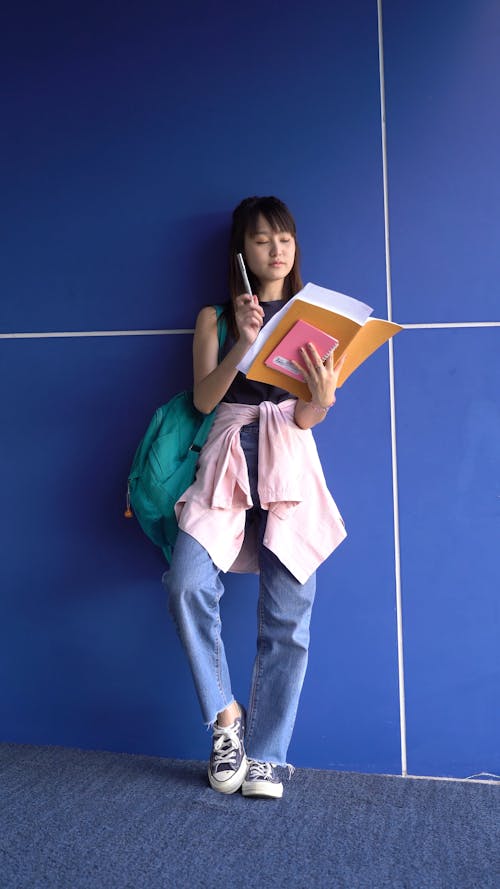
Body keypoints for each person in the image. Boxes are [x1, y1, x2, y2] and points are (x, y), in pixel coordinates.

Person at [163, 196, 347, 799]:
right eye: (264, 239)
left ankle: (268, 755)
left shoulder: (311, 318)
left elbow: (309, 416)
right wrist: (243, 342)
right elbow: (203, 401)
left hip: (288, 455)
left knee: (289, 613)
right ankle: (226, 719)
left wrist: (323, 398)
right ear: (242, 249)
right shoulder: (215, 316)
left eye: (285, 238)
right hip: (226, 454)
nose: (276, 250)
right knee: (187, 580)